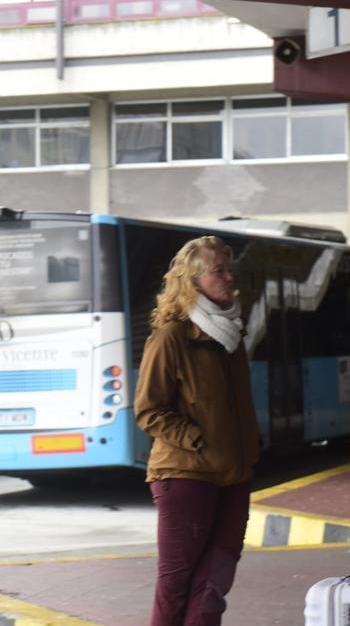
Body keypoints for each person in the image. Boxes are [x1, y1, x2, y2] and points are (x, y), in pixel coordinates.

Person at [134, 236, 261, 626]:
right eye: (218, 270)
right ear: (192, 280)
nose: (229, 276)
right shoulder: (173, 336)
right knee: (177, 582)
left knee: (215, 582)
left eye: (228, 267)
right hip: (186, 474)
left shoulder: (231, 336)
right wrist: (197, 439)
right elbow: (148, 410)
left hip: (234, 475)